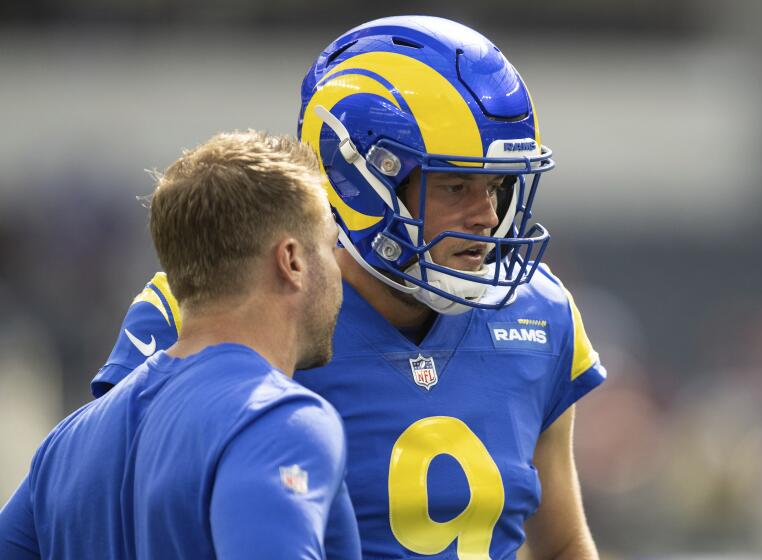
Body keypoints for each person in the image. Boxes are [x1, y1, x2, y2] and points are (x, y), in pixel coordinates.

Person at [85, 16, 607, 559]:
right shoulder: (227, 305)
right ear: (361, 182)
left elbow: (562, 543)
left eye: (496, 187)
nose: (487, 216)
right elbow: (99, 505)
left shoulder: (540, 313)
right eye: (455, 185)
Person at [0, 131, 360, 559]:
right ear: (292, 261)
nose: (339, 268)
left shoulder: (63, 447)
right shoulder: (278, 421)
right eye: (331, 243)